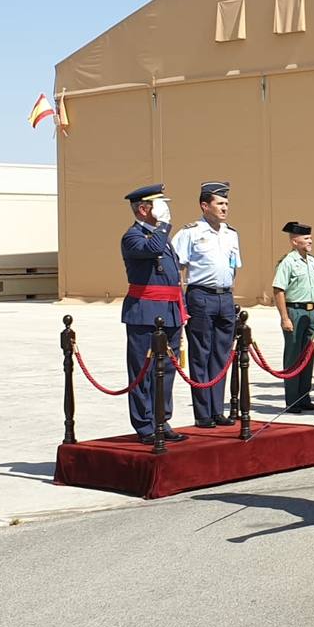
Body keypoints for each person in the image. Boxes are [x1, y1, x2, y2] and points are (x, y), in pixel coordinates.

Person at [120, 184, 186, 443]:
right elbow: (153, 250)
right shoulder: (133, 236)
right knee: (143, 370)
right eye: (160, 205)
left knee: (167, 369)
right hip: (145, 313)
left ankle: (162, 419)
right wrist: (162, 224)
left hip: (169, 312)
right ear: (144, 209)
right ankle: (145, 424)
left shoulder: (162, 237)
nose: (166, 210)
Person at [172, 181, 240, 428]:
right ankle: (202, 413)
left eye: (227, 204)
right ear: (205, 205)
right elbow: (177, 267)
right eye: (220, 203)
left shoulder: (231, 233)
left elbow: (234, 266)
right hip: (200, 296)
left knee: (221, 356)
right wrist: (181, 300)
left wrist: (229, 291)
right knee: (201, 354)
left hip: (225, 297)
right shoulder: (190, 233)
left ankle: (216, 409)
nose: (225, 208)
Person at [272, 222, 314, 412]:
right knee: (293, 356)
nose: (310, 241)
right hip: (294, 311)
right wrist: (284, 317)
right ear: (295, 241)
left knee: (308, 356)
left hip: (310, 312)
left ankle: (304, 397)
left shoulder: (312, 261)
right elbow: (279, 290)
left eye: (310, 238)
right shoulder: (288, 262)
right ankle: (292, 400)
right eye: (305, 238)